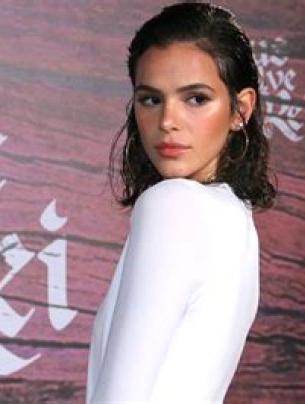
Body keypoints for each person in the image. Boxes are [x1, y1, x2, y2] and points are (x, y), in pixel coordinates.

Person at [86, 3, 276, 403]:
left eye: (196, 99)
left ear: (241, 109)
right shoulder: (234, 216)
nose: (168, 121)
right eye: (151, 100)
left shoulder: (172, 205)